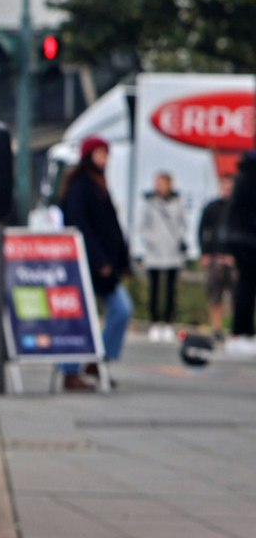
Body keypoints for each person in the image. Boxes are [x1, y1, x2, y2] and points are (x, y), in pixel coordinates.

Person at [58, 136, 132, 389]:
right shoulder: (80, 186)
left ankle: (97, 359)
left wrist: (122, 260)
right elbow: (80, 226)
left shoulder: (99, 184)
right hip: (85, 264)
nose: (104, 159)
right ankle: (69, 371)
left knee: (122, 310)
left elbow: (112, 227)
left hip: (105, 266)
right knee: (77, 318)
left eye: (106, 154)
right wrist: (99, 259)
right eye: (99, 154)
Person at [133, 170, 190, 341]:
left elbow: (183, 224)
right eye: (157, 183)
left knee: (171, 290)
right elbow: (142, 226)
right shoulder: (149, 202)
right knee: (155, 289)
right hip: (155, 252)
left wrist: (177, 239)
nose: (159, 186)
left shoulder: (178, 201)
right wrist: (152, 240)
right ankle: (155, 322)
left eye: (162, 183)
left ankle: (168, 322)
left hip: (172, 252)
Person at [223, 150, 256, 356]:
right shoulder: (250, 179)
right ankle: (241, 332)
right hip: (247, 240)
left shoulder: (242, 177)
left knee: (245, 286)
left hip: (240, 239)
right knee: (246, 287)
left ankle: (242, 332)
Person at [198, 171, 236, 336]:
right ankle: (217, 328)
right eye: (224, 185)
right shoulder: (212, 207)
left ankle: (237, 329)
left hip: (235, 259)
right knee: (215, 294)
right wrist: (205, 252)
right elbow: (201, 230)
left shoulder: (241, 208)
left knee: (238, 295)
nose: (226, 189)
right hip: (215, 256)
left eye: (229, 186)